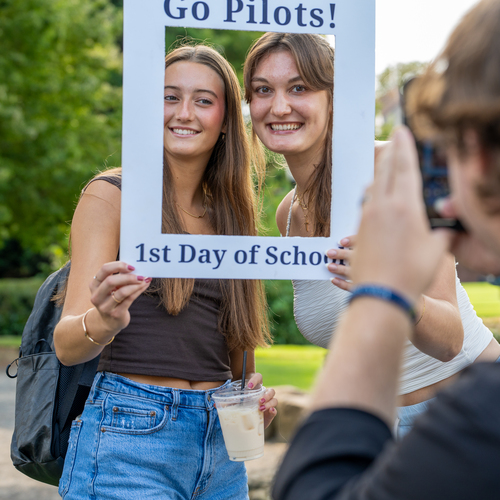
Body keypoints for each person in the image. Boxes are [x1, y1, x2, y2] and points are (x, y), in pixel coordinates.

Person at [272, 0, 500, 498]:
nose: (278, 105)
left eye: (299, 88)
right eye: (262, 91)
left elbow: (448, 337)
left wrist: (383, 289)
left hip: (457, 407)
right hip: (383, 430)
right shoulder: (286, 214)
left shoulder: (390, 171)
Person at [53, 45, 277, 500]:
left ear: (227, 120)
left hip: (221, 450)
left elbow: (238, 359)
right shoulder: (112, 196)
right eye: (169, 97)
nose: (184, 113)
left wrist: (250, 402)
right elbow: (67, 344)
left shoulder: (233, 216)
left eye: (203, 100)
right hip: (129, 436)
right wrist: (104, 320)